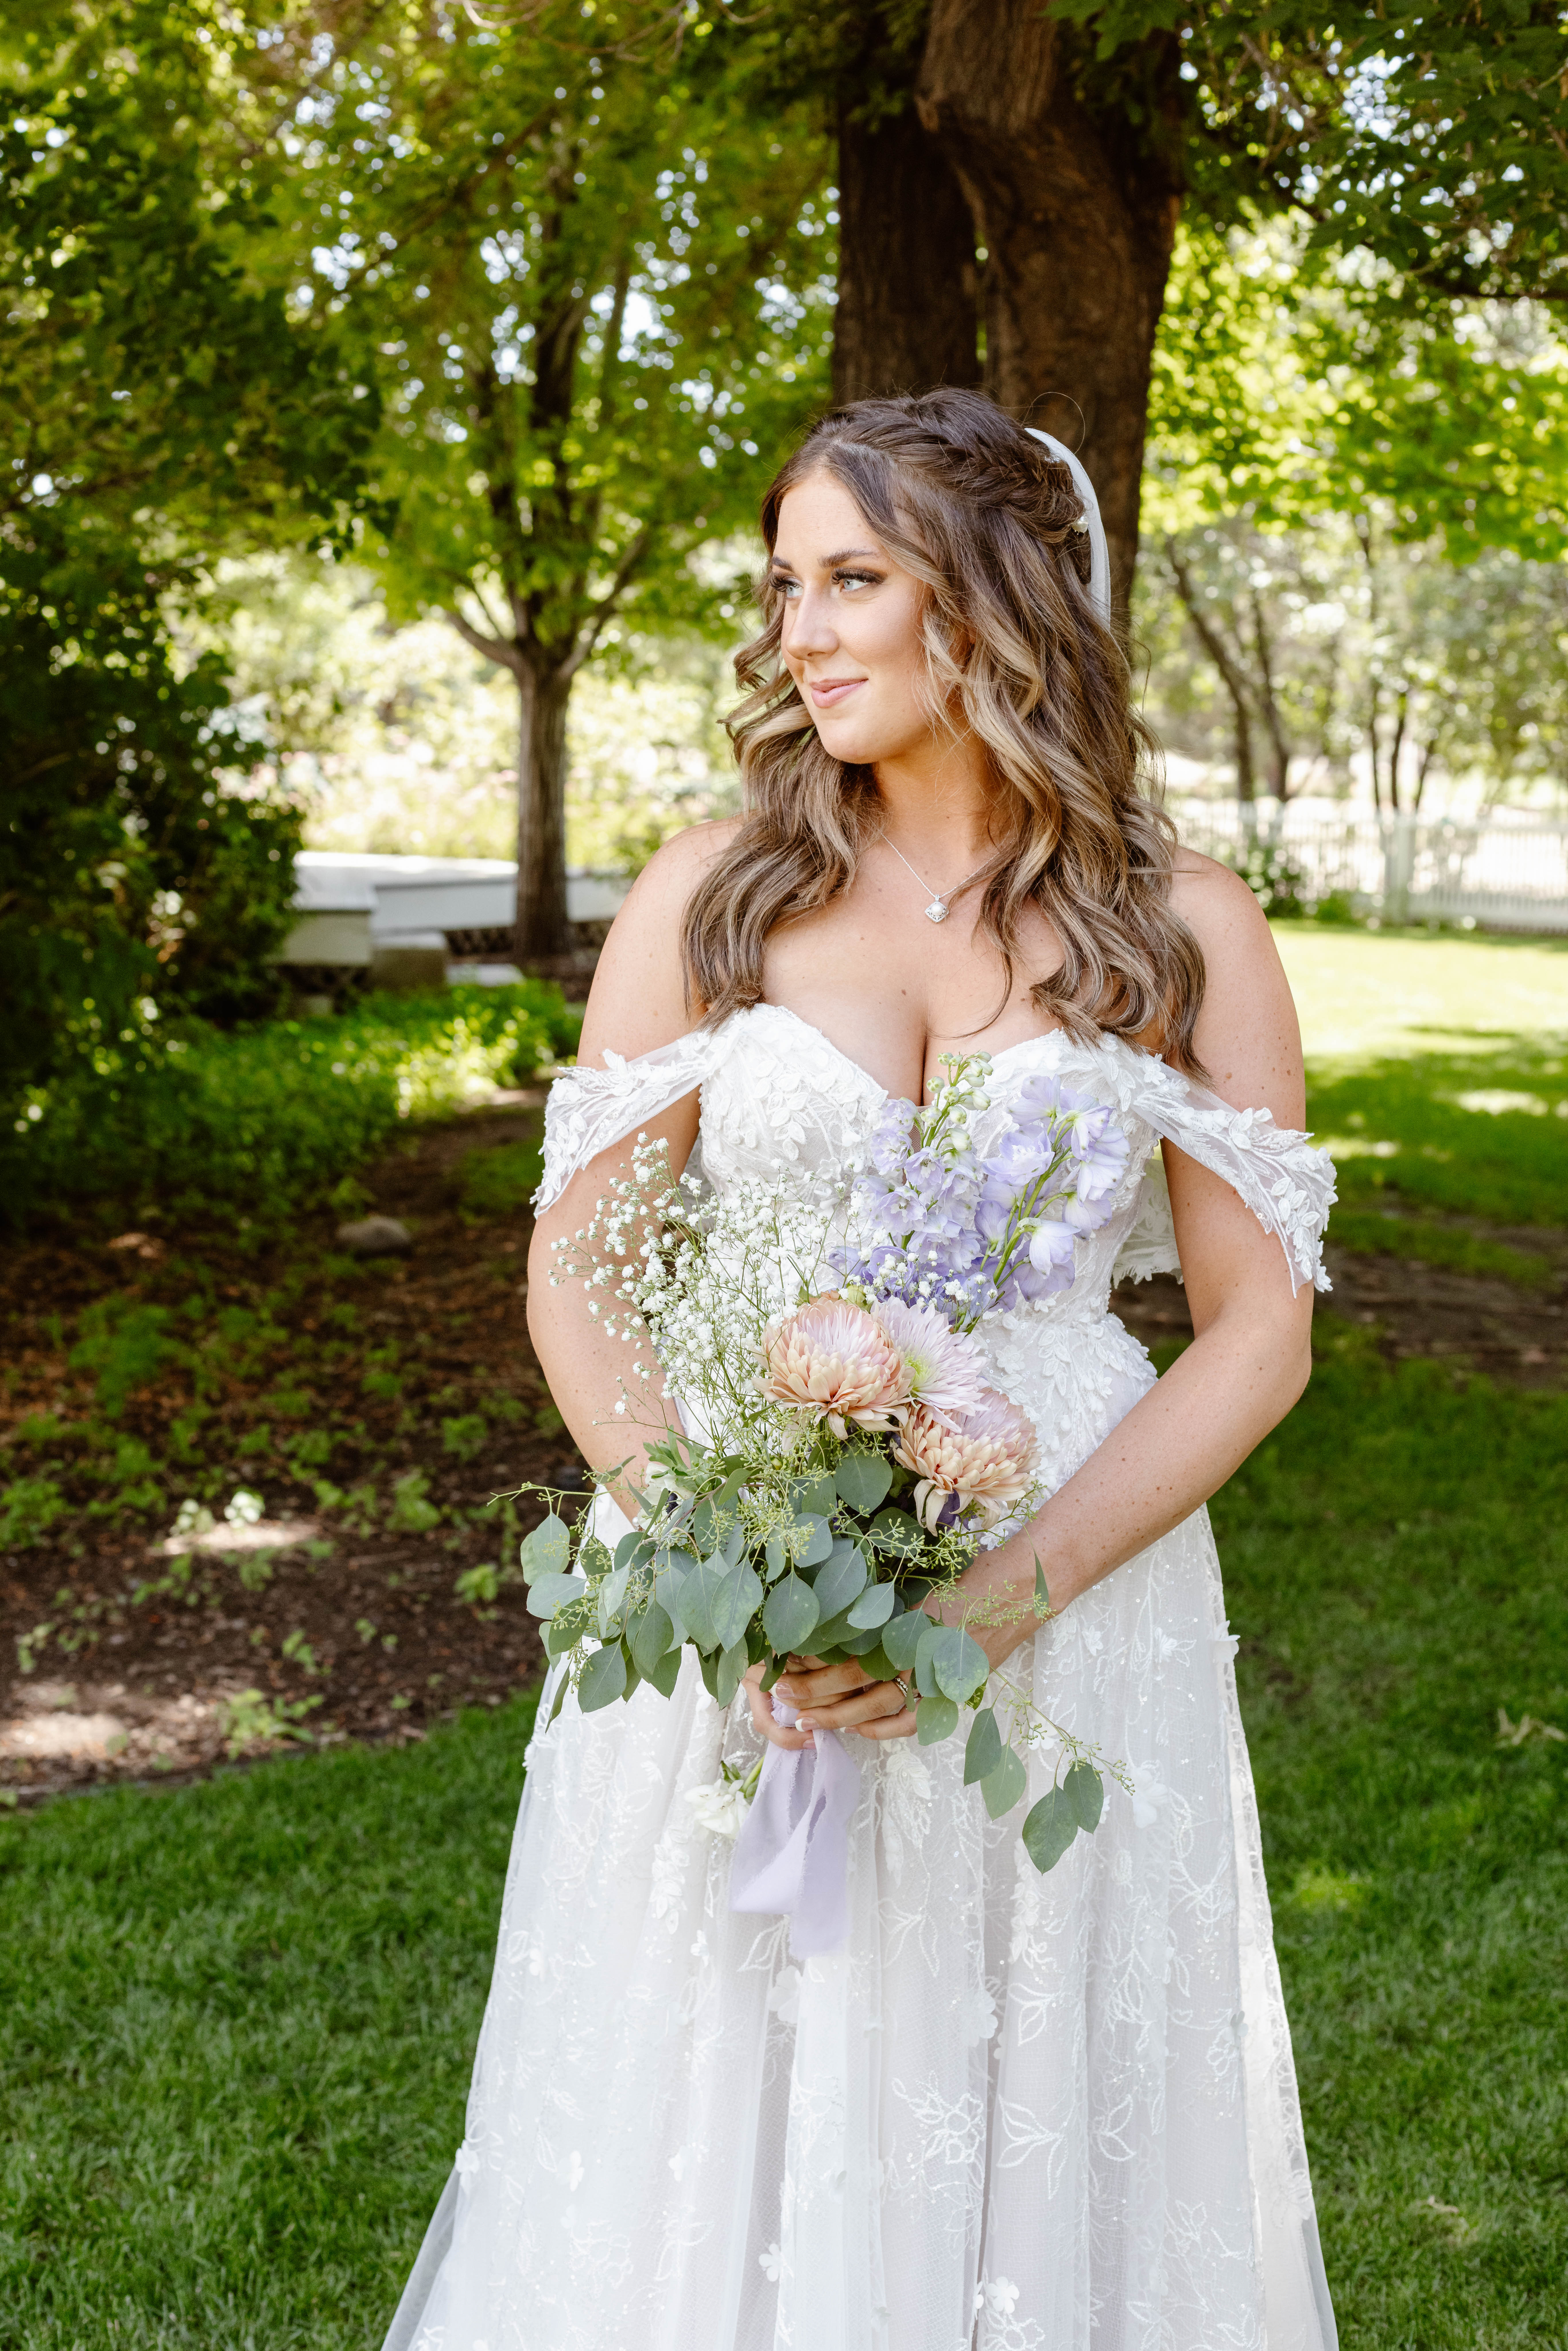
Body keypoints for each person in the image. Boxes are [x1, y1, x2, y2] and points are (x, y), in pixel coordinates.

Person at [382, 388, 1339, 2351]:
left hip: (1073, 1579)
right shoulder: (714, 894)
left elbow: (1256, 1331)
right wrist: (706, 1557)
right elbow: (578, 1280)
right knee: (720, 2067)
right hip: (731, 1571)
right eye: (783, 587)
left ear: (984, 609)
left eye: (851, 582)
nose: (798, 632)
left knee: (1027, 2054)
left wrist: (999, 1602)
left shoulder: (1178, 927)